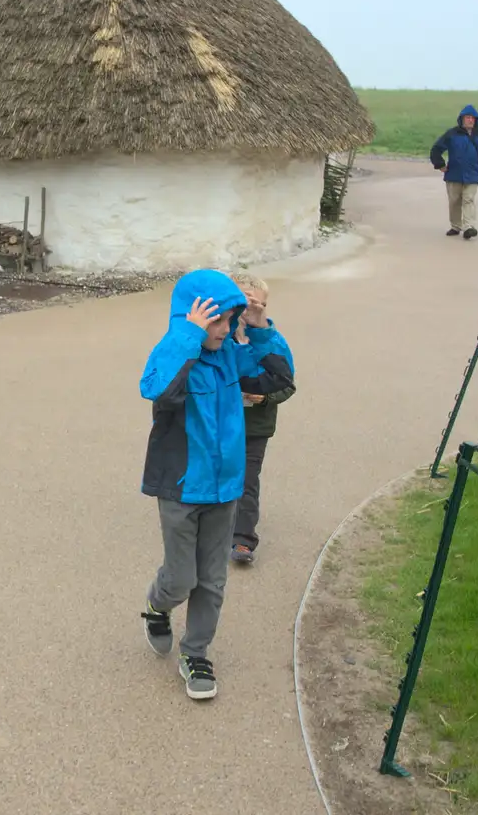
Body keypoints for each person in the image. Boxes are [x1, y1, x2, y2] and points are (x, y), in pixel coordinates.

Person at [139, 269, 293, 700]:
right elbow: (158, 390)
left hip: (226, 489)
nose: (227, 330)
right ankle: (157, 604)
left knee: (211, 580)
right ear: (195, 317)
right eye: (219, 321)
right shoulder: (176, 354)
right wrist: (189, 334)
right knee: (181, 578)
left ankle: (196, 653)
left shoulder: (231, 355)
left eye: (232, 320)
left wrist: (259, 328)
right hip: (182, 489)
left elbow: (281, 377)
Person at [227, 272, 296, 566]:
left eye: (258, 304)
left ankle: (243, 538)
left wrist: (266, 398)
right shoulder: (218, 334)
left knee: (246, 480)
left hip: (254, 426)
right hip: (219, 421)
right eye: (243, 302)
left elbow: (286, 383)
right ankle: (208, 525)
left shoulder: (271, 339)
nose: (250, 309)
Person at [428, 104, 478, 239]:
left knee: (468, 199)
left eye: (472, 118)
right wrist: (440, 164)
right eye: (467, 117)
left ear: (476, 120)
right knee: (454, 201)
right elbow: (436, 149)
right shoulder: (452, 134)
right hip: (454, 173)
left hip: (473, 174)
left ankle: (469, 227)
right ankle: (455, 226)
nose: (470, 120)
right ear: (462, 119)